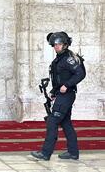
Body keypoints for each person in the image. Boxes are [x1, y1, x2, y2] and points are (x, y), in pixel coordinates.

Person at [31, 31, 86, 161]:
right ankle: (73, 152)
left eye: (59, 44)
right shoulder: (58, 59)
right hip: (62, 95)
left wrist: (67, 85)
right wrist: (53, 92)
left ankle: (45, 153)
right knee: (66, 123)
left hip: (67, 95)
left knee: (52, 121)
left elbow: (80, 73)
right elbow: (59, 79)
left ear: (65, 44)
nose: (56, 46)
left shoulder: (68, 58)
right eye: (54, 45)